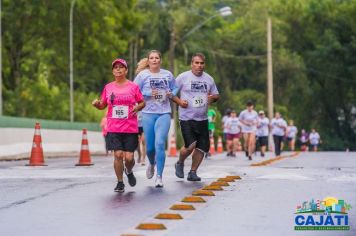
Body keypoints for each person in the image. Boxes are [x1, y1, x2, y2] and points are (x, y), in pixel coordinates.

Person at [92, 58, 145, 193]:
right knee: (118, 155)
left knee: (129, 158)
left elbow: (142, 102)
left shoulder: (133, 87)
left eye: (121, 67)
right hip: (114, 127)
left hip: (130, 127)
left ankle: (129, 170)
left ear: (126, 70)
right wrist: (97, 104)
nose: (118, 69)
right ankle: (120, 182)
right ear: (113, 71)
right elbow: (103, 104)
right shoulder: (108, 87)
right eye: (116, 67)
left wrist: (137, 108)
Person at [134, 50, 178, 188]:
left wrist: (171, 94)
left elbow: (175, 87)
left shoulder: (167, 74)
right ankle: (151, 164)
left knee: (160, 144)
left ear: (160, 60)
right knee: (150, 148)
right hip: (147, 114)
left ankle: (159, 176)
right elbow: (133, 91)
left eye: (156, 58)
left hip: (164, 113)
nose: (154, 60)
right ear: (148, 61)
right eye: (151, 58)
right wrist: (147, 93)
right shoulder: (143, 75)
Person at [174, 52, 220, 181]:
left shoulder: (209, 79)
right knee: (190, 145)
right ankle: (180, 162)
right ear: (191, 64)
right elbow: (171, 93)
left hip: (202, 118)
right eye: (196, 63)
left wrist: (212, 98)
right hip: (186, 117)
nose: (199, 66)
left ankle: (193, 172)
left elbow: (216, 95)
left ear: (204, 65)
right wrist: (179, 102)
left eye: (201, 63)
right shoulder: (183, 77)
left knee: (202, 147)